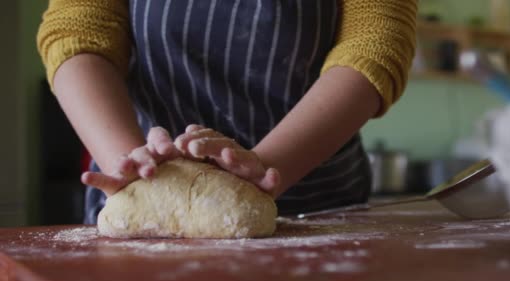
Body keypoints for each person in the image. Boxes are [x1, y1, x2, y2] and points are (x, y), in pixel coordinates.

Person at [37, 0, 418, 224]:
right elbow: (76, 33)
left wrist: (264, 169)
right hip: (141, 194)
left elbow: (373, 46)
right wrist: (133, 168)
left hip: (313, 211)